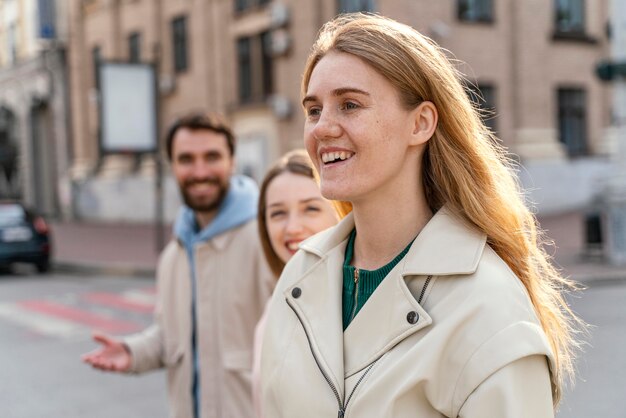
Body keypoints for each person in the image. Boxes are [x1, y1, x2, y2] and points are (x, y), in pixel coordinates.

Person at [259, 13, 584, 418]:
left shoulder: (487, 307)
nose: (322, 128)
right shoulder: (298, 278)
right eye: (313, 110)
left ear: (421, 123)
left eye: (350, 105)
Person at [82, 112, 274, 418]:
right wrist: (132, 352)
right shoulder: (174, 254)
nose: (200, 171)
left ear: (232, 162)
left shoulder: (266, 240)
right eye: (186, 159)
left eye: (212, 157)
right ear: (172, 166)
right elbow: (172, 336)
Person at [251, 149, 340, 416]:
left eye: (310, 209)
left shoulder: (353, 302)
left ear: (340, 211)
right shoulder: (275, 305)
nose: (292, 227)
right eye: (278, 213)